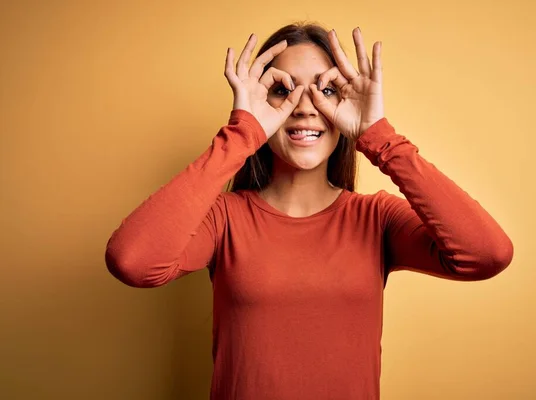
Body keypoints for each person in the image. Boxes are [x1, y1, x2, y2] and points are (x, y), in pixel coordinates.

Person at [105, 22, 514, 400]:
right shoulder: (225, 219)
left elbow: (486, 254)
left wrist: (378, 137)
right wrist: (242, 133)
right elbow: (133, 261)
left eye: (327, 90)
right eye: (283, 90)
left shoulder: (376, 220)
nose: (304, 107)